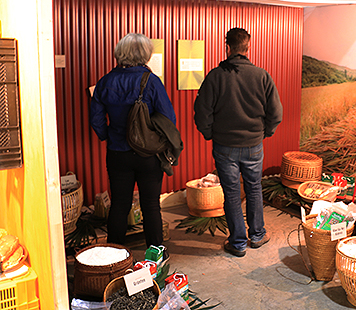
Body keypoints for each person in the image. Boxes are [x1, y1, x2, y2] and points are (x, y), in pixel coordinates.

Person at [194, 28, 283, 257]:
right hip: (254, 145)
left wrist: (209, 133)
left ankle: (238, 243)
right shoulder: (262, 76)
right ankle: (257, 235)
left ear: (227, 47)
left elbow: (201, 112)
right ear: (248, 47)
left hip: (224, 147)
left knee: (232, 194)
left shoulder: (215, 76)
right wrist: (266, 133)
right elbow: (276, 113)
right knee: (254, 189)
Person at [90, 33, 176, 248]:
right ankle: (156, 257)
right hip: (148, 155)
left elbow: (96, 120)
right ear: (145, 54)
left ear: (120, 53)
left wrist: (108, 136)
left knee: (119, 204)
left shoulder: (105, 81)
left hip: (118, 153)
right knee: (151, 205)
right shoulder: (151, 82)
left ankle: (114, 257)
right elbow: (168, 119)